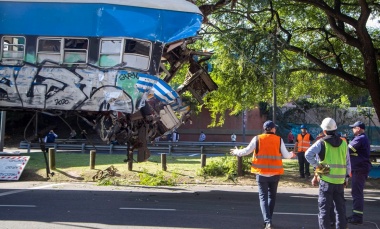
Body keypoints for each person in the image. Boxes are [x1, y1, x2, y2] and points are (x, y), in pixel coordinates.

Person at [230, 120, 296, 229]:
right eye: (275, 128)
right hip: (275, 174)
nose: (276, 129)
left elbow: (246, 151)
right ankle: (268, 220)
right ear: (272, 129)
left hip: (261, 174)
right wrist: (292, 154)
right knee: (272, 197)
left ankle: (267, 221)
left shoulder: (257, 139)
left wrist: (236, 152)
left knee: (263, 198)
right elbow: (286, 155)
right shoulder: (279, 140)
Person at [305, 117, 351, 229]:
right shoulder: (344, 143)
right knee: (340, 210)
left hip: (326, 181)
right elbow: (348, 163)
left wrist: (319, 167)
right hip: (340, 182)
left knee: (324, 211)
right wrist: (346, 178)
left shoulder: (321, 143)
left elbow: (307, 154)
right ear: (335, 129)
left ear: (324, 130)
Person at [346, 121, 372, 225]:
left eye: (353, 128)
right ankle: (356, 215)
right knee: (356, 192)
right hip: (359, 169)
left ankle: (357, 217)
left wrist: (342, 142)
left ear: (358, 129)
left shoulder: (360, 138)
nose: (352, 129)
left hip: (360, 169)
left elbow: (347, 150)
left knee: (357, 193)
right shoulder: (361, 138)